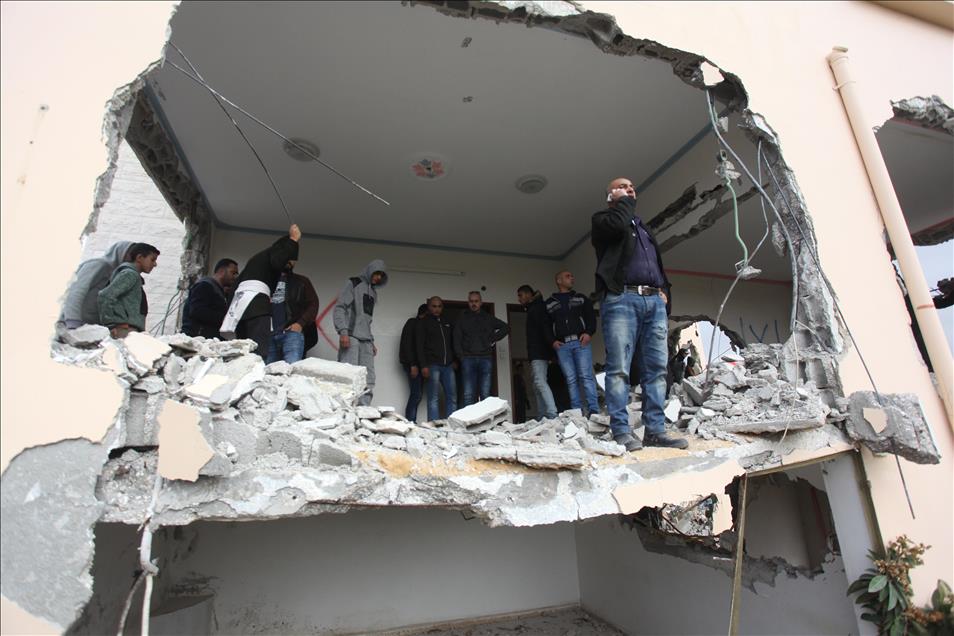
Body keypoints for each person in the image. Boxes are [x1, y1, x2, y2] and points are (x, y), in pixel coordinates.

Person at [592, 177, 687, 451]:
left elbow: (656, 264)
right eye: (623, 187)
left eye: (632, 186)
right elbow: (618, 224)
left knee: (657, 369)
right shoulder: (603, 220)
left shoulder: (642, 227)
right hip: (622, 299)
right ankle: (621, 431)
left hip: (653, 301)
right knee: (619, 368)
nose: (630, 189)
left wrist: (663, 292)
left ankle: (655, 431)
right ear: (610, 196)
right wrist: (623, 203)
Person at [221, 224, 301, 358]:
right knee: (258, 352)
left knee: (241, 352)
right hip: (257, 306)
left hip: (239, 309)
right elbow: (277, 261)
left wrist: (229, 311)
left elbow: (235, 287)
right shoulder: (273, 253)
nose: (292, 264)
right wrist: (293, 240)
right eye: (291, 259)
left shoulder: (256, 261)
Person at [545, 270, 600, 416]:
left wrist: (588, 333)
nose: (572, 278)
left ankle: (594, 410)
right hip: (562, 346)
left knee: (586, 376)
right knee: (571, 380)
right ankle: (577, 412)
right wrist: (552, 341)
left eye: (572, 275)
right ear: (559, 280)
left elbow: (591, 317)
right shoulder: (549, 303)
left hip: (581, 342)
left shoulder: (580, 298)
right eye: (568, 276)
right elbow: (545, 325)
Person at [334, 260, 388, 405]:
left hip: (366, 340)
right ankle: (345, 407)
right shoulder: (354, 283)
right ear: (370, 270)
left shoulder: (373, 293)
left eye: (381, 275)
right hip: (351, 335)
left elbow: (367, 320)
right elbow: (340, 308)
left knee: (368, 376)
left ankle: (364, 409)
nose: (378, 277)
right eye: (377, 273)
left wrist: (371, 341)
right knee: (349, 374)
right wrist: (343, 332)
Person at [60, 241, 133, 330]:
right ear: (122, 252)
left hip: (90, 327)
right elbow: (76, 291)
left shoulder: (118, 275)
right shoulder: (99, 264)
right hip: (72, 324)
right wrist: (72, 321)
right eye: (131, 254)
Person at [453, 291, 509, 406]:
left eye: (476, 301)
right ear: (468, 302)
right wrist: (461, 357)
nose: (474, 303)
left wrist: (492, 338)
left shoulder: (488, 318)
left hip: (485, 358)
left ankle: (485, 417)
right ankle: (470, 418)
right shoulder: (462, 318)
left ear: (481, 302)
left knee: (485, 394)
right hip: (468, 359)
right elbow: (456, 338)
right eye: (471, 301)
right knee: (468, 395)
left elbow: (505, 327)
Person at [97, 242, 160, 339]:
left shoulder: (132, 275)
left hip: (127, 329)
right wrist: (110, 324)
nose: (155, 264)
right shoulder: (129, 274)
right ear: (139, 258)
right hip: (123, 329)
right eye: (152, 259)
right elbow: (105, 296)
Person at [517, 284, 557, 420]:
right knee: (536, 384)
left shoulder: (537, 308)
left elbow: (545, 329)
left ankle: (551, 413)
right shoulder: (533, 308)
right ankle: (542, 415)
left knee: (539, 382)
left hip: (539, 352)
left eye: (520, 295)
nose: (519, 299)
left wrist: (551, 350)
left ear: (528, 294)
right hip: (537, 352)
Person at [265, 265, 319, 364]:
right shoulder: (266, 282)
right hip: (269, 334)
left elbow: (313, 304)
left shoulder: (301, 281)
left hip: (291, 333)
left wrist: (300, 323)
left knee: (292, 368)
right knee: (267, 370)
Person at [415, 296, 456, 421]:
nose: (437, 309)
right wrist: (423, 365)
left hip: (448, 365)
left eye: (439, 306)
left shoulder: (447, 322)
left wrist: (454, 359)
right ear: (429, 307)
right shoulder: (423, 323)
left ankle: (452, 425)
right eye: (434, 306)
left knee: (452, 397)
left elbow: (452, 342)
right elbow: (419, 346)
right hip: (432, 365)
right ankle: (434, 426)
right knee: (433, 398)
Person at [181, 258, 239, 338]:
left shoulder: (218, 290)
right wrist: (225, 319)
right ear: (221, 271)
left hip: (206, 339)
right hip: (197, 339)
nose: (235, 277)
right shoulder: (205, 286)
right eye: (233, 273)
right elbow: (197, 311)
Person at [399, 303, 427, 422]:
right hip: (413, 364)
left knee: (417, 394)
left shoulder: (418, 324)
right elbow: (408, 344)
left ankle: (411, 421)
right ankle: (410, 421)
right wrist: (413, 364)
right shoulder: (413, 323)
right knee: (416, 394)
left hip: (418, 364)